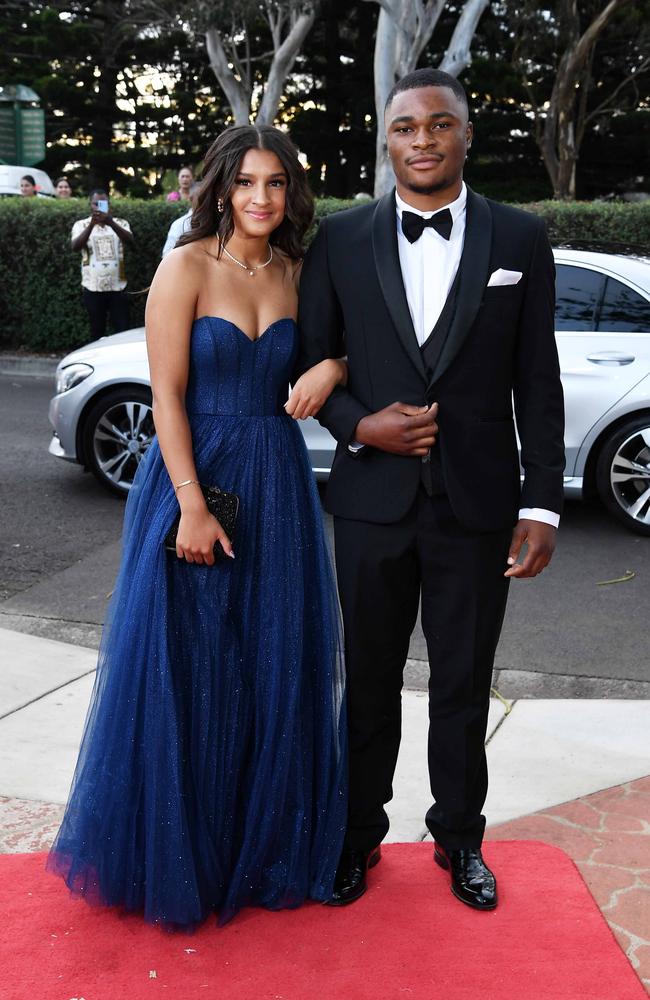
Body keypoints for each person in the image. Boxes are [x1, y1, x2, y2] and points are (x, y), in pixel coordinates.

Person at [47, 125, 348, 929]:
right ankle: (182, 854)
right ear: (220, 186)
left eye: (276, 183)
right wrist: (190, 503)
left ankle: (259, 848)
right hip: (192, 474)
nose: (261, 197)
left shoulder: (295, 272)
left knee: (269, 654)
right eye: (246, 181)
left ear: (291, 192)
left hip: (277, 481)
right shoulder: (184, 266)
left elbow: (334, 350)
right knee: (188, 659)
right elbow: (166, 397)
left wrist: (334, 365)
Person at [296, 68, 565, 912]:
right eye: (406, 127)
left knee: (462, 682)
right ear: (387, 138)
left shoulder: (519, 238)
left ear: (466, 136)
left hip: (478, 506)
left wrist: (543, 501)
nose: (422, 140)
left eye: (439, 125)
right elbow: (308, 364)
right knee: (368, 682)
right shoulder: (338, 240)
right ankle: (356, 838)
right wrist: (356, 425)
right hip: (372, 500)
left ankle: (460, 839)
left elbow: (538, 378)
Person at [71, 189, 134, 340]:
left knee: (122, 329)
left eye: (103, 203)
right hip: (92, 287)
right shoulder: (81, 224)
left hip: (118, 286)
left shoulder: (120, 223)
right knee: (97, 330)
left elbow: (131, 242)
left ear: (108, 204)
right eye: (95, 204)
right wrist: (92, 225)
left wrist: (110, 222)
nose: (98, 207)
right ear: (90, 205)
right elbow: (75, 247)